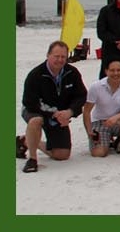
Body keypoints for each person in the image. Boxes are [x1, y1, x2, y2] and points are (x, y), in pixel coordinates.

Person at [17, 41, 88, 173]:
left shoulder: (72, 73)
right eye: (56, 56)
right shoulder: (35, 75)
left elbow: (81, 96)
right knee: (35, 121)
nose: (60, 60)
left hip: (60, 115)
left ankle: (27, 140)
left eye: (63, 57)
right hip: (35, 111)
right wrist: (55, 114)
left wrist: (70, 112)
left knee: (62, 154)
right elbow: (30, 102)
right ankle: (32, 159)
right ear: (48, 55)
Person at [83, 60, 120, 158]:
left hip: (119, 121)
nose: (115, 73)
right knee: (99, 153)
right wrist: (89, 131)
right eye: (112, 70)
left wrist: (116, 118)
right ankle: (105, 141)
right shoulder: (96, 86)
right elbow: (87, 111)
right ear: (106, 71)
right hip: (100, 121)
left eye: (119, 70)